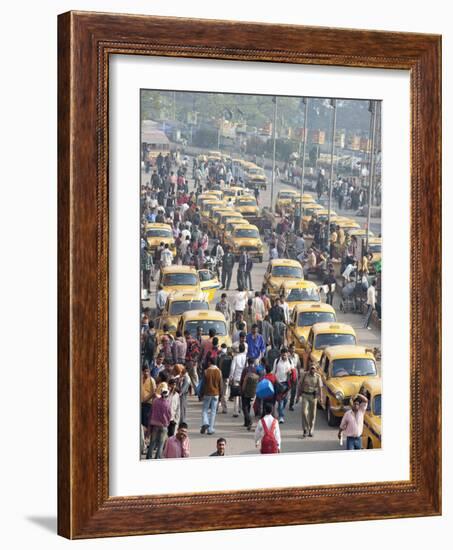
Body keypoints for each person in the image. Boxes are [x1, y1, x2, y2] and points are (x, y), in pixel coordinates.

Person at [147, 383, 172, 459]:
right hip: (163, 425)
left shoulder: (155, 401)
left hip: (154, 425)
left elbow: (151, 412)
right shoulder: (167, 404)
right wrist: (167, 422)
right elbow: (169, 415)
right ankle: (157, 458)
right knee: (161, 444)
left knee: (152, 442)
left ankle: (149, 457)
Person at [298, 364, 323, 437]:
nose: (312, 370)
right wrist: (298, 395)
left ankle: (311, 429)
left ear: (315, 369)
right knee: (304, 412)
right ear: (309, 368)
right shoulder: (305, 375)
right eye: (311, 368)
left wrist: (321, 398)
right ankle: (305, 429)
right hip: (305, 395)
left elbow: (320, 388)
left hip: (313, 396)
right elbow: (300, 385)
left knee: (312, 414)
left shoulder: (318, 377)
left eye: (313, 368)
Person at [200, 359, 223, 435]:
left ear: (210, 363)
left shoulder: (206, 371)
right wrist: (221, 395)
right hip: (216, 393)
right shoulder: (219, 371)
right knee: (213, 412)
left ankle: (205, 423)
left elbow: (203, 384)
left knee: (205, 410)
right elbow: (221, 385)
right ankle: (210, 429)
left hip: (207, 393)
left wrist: (201, 394)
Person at [272, 347, 293, 423]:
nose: (284, 356)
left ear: (287, 354)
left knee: (286, 400)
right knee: (280, 401)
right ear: (281, 354)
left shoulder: (290, 361)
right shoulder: (277, 361)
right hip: (278, 383)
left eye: (285, 355)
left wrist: (290, 372)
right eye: (283, 355)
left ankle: (280, 410)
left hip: (287, 384)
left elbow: (293, 371)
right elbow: (273, 372)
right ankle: (281, 416)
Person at [229, 343, 247, 417]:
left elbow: (232, 368)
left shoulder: (236, 357)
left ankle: (236, 411)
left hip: (237, 377)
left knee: (236, 395)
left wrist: (231, 377)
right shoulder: (246, 358)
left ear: (239, 349)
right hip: (244, 378)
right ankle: (242, 409)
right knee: (243, 394)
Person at [241, 360, 260, 430]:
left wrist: (241, 389)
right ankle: (246, 422)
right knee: (248, 406)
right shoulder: (256, 370)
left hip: (245, 391)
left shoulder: (245, 370)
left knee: (244, 407)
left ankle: (249, 420)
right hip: (252, 392)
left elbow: (242, 380)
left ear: (248, 362)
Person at [288, 343, 301, 411]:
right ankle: (284, 402)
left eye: (294, 348)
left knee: (293, 390)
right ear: (289, 349)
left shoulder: (297, 356)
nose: (293, 350)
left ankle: (291, 404)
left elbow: (298, 365)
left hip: (294, 374)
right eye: (292, 348)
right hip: (287, 374)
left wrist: (299, 374)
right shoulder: (287, 356)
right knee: (286, 389)